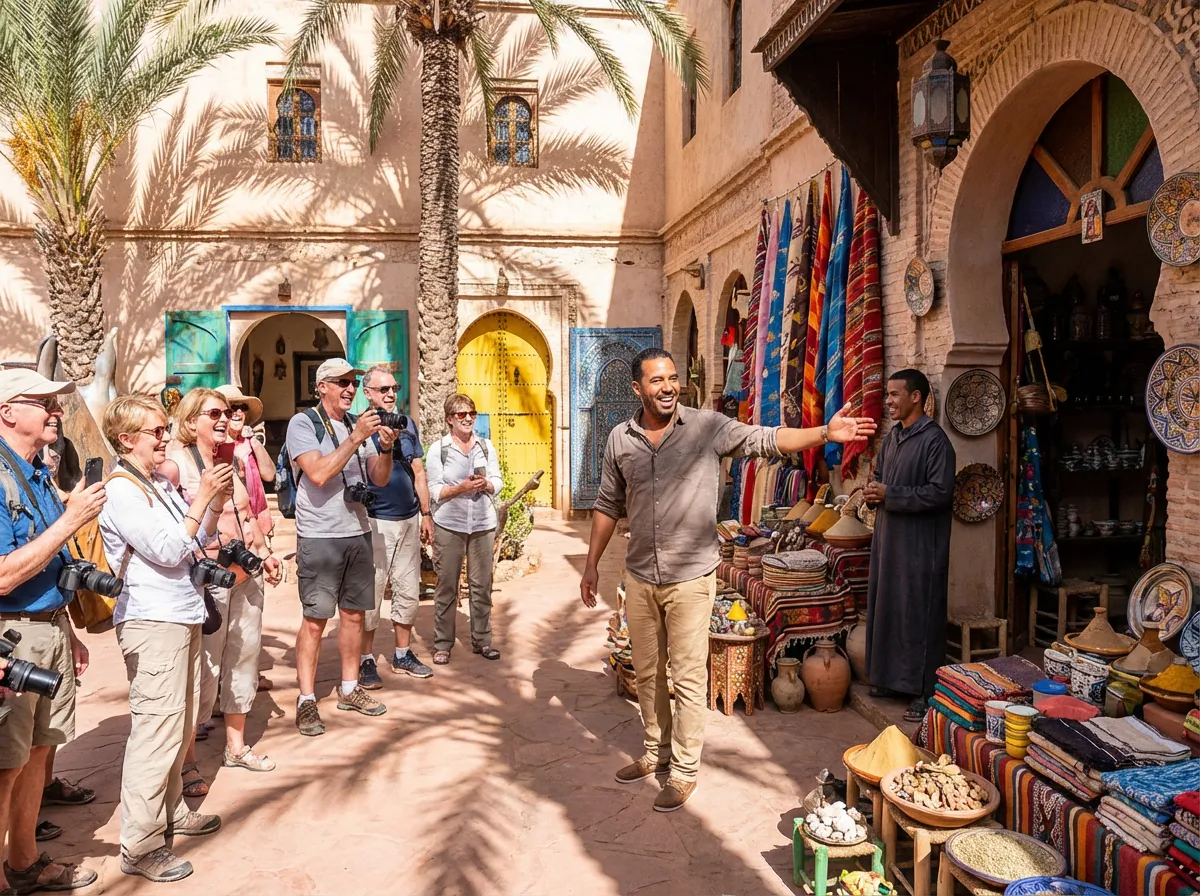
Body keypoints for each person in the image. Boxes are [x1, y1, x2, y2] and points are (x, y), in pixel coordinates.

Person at [579, 349, 876, 813]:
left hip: (691, 578)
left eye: (673, 378)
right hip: (639, 577)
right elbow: (606, 504)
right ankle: (655, 752)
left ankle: (682, 771)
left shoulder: (707, 427)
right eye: (657, 380)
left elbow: (766, 439)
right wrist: (591, 563)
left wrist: (825, 432)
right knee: (648, 672)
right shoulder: (621, 438)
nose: (668, 387)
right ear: (637, 388)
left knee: (689, 675)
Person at [100, 393, 235, 883]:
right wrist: (200, 499)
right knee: (155, 733)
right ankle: (139, 844)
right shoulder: (121, 490)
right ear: (126, 439)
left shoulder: (155, 483)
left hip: (181, 614)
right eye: (156, 431)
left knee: (179, 726)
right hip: (150, 620)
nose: (164, 437)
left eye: (163, 429)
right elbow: (166, 547)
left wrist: (213, 503)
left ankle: (173, 809)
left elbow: (194, 540)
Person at [0, 369, 101, 893]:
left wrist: (65, 625)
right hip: (11, 638)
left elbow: (47, 562)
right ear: (7, 412)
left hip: (46, 629)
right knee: (4, 767)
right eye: (41, 401)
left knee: (39, 754)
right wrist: (71, 520)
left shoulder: (35, 472)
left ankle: (24, 862)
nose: (54, 410)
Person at [162, 389, 281, 789]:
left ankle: (235, 746)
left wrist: (265, 554)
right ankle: (189, 761)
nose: (224, 418)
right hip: (208, 580)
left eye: (227, 412)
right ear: (191, 418)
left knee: (244, 660)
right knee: (205, 670)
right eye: (214, 412)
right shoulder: (176, 465)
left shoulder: (230, 458)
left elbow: (246, 515)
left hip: (246, 577)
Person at [286, 359, 396, 736]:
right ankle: (305, 700)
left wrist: (385, 449)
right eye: (343, 382)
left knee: (353, 615)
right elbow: (317, 474)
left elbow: (378, 479)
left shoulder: (355, 425)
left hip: (358, 530)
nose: (351, 388)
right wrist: (355, 439)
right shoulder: (304, 424)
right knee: (315, 621)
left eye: (354, 382)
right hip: (320, 535)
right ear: (322, 387)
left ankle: (350, 689)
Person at [863, 369, 956, 724]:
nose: (888, 401)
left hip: (921, 546)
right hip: (890, 539)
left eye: (894, 394)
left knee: (920, 612)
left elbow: (940, 493)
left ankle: (924, 690)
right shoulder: (893, 439)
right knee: (890, 606)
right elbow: (883, 481)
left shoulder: (935, 442)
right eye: (887, 394)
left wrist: (891, 494)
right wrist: (874, 495)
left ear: (916, 397)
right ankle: (891, 680)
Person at [360, 366, 434, 686]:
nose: (391, 395)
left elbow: (419, 471)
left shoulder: (407, 425)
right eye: (383, 389)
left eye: (394, 388)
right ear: (368, 394)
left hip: (409, 519)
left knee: (407, 590)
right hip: (376, 521)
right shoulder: (360, 427)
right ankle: (365, 660)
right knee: (372, 593)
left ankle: (402, 654)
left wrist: (427, 513)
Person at [425, 394, 503, 666]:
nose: (468, 418)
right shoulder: (439, 450)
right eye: (461, 414)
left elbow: (498, 479)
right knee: (447, 586)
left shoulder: (485, 446)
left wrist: (487, 485)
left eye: (471, 412)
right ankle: (443, 643)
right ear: (450, 419)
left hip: (482, 523)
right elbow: (434, 490)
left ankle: (482, 641)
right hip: (450, 525)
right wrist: (461, 488)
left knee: (482, 585)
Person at [215, 384, 275, 539]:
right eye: (233, 407)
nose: (239, 412)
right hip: (233, 520)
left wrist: (254, 441)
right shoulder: (215, 446)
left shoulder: (249, 442)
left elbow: (269, 475)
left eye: (242, 407)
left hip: (257, 515)